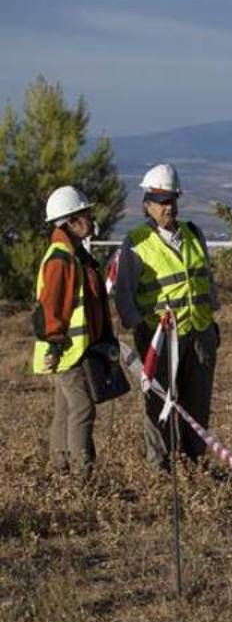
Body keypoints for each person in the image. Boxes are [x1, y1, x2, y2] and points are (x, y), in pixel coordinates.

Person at [113, 163, 221, 469]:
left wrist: (211, 325)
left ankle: (194, 463)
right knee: (159, 402)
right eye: (160, 201)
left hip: (199, 333)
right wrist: (143, 334)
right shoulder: (136, 242)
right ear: (147, 204)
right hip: (159, 338)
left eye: (171, 199)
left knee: (197, 403)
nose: (167, 206)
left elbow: (206, 280)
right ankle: (159, 465)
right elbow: (124, 294)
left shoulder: (193, 233)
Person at [31, 186, 117, 477]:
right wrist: (55, 346)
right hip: (65, 351)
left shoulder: (75, 255)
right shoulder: (61, 259)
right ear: (70, 221)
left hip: (74, 349)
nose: (91, 218)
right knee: (82, 409)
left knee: (66, 410)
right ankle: (82, 477)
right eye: (86, 213)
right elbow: (51, 308)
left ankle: (60, 470)